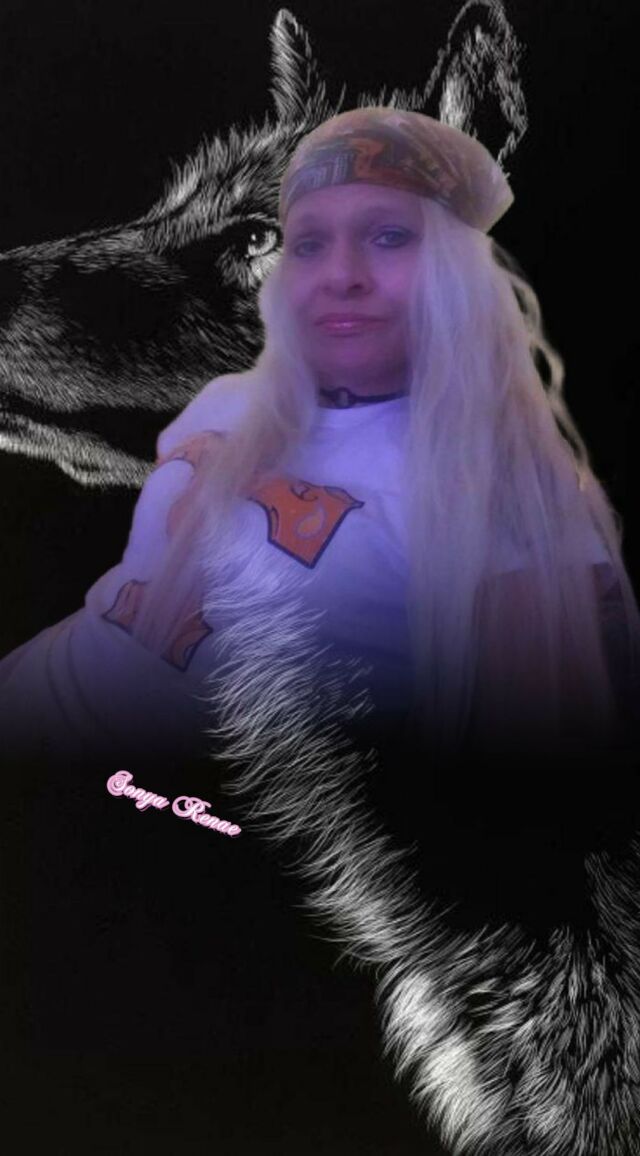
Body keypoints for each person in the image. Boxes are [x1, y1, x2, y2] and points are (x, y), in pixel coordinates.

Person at [0, 105, 638, 776]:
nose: (340, 274)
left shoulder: (504, 490)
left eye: (388, 236)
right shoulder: (222, 401)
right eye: (304, 243)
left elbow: (540, 775)